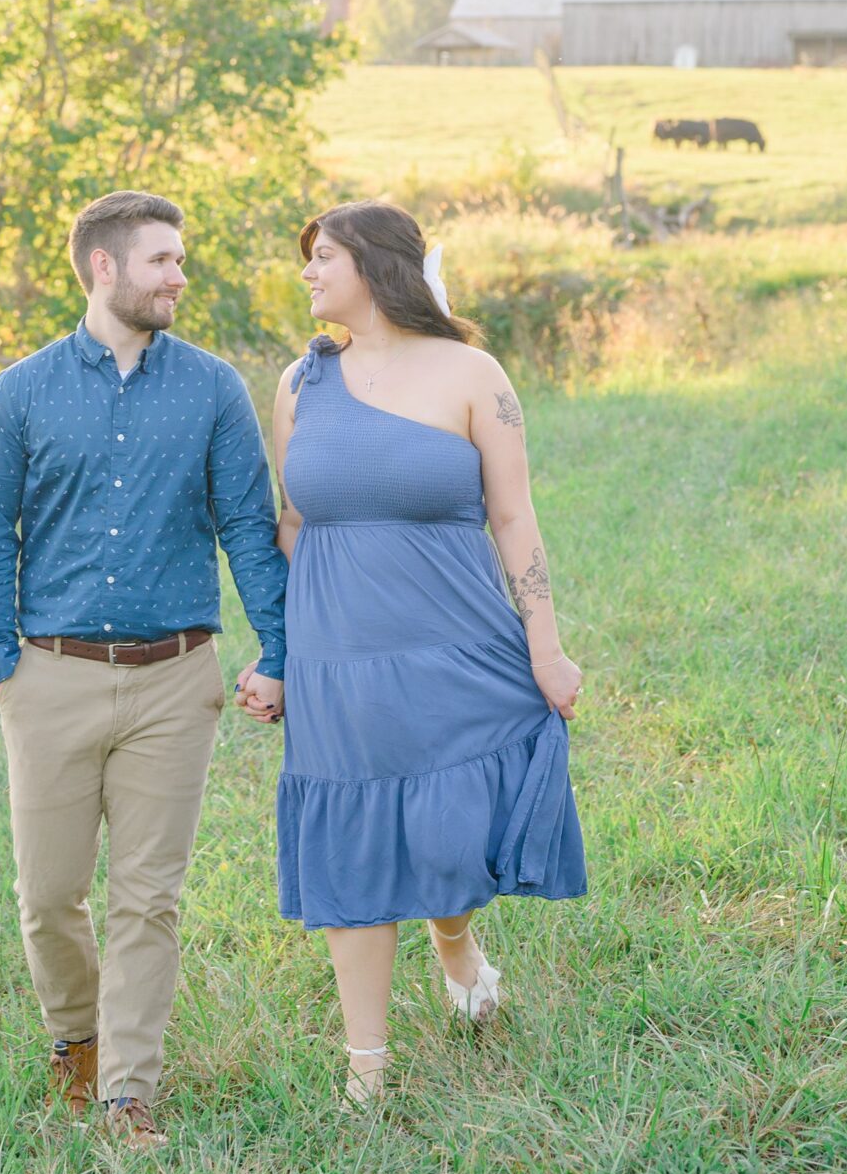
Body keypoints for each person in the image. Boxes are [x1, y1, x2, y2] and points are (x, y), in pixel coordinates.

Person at [236, 199, 586, 1108]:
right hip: (339, 655)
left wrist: (545, 649)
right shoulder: (297, 385)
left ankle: (454, 939)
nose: (308, 274)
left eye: (324, 259)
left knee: (445, 826)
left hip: (457, 641)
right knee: (352, 844)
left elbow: (513, 516)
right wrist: (276, 652)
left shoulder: (472, 373)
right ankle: (367, 1069)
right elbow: (293, 523)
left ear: (378, 267)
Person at [0, 190, 287, 1148]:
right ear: (104, 268)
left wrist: (279, 648)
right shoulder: (20, 392)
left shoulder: (214, 388)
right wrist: (0, 662)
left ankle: (127, 1093)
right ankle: (76, 1038)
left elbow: (247, 533)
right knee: (48, 896)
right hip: (49, 677)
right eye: (163, 261)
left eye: (180, 260)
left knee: (149, 897)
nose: (179, 277)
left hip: (174, 678)